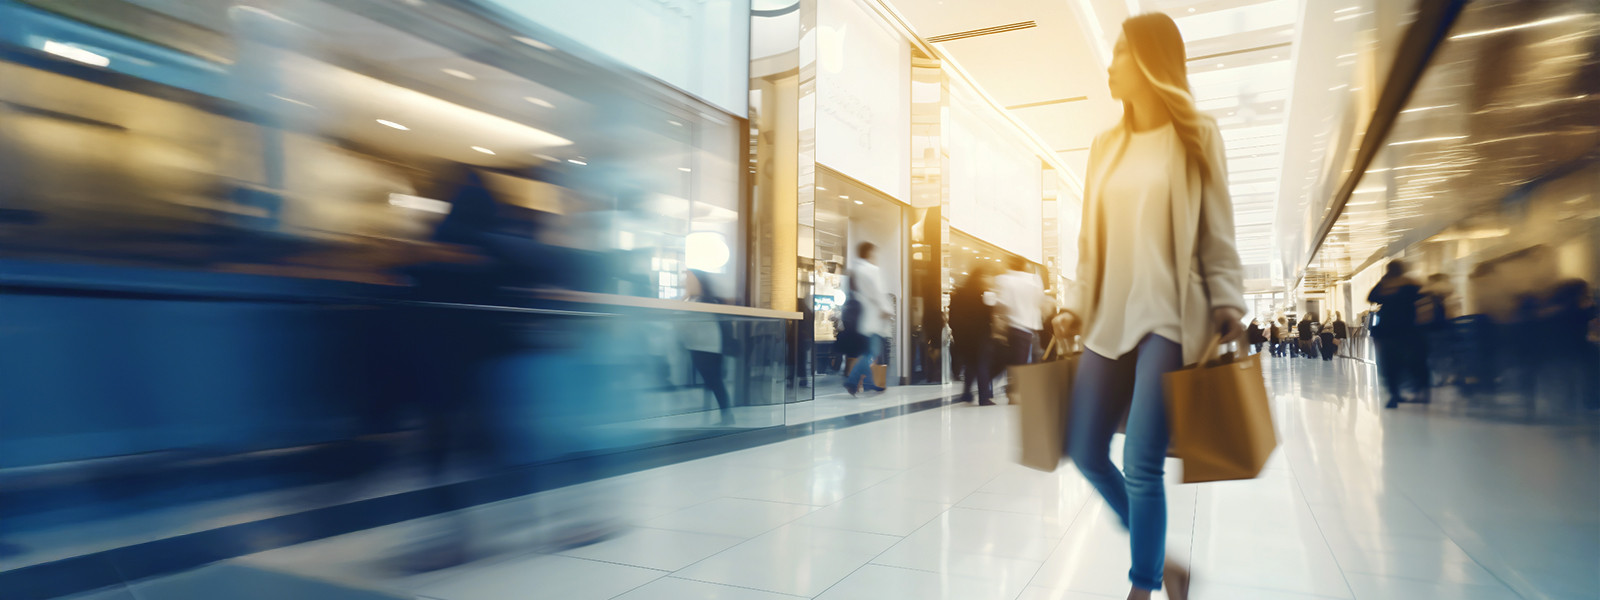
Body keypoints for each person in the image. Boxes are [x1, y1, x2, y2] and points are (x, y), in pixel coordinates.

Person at [1050, 13, 1245, 600]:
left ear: (1152, 63)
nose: (1110, 65)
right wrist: (1074, 306)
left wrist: (1228, 302)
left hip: (1170, 317)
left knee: (1141, 462)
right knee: (1083, 448)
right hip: (1108, 319)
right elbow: (1089, 245)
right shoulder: (1104, 146)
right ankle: (1165, 562)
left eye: (1120, 53)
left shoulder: (1197, 134)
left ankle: (1144, 585)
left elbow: (1217, 230)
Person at [1368, 260, 1427, 408]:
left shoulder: (1384, 286)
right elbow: (1421, 296)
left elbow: (1371, 297)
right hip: (1407, 330)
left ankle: (1394, 394)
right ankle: (1418, 391)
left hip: (1387, 331)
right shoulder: (1409, 285)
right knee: (1412, 361)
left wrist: (1384, 282)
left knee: (1390, 363)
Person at [680, 270, 736, 425]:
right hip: (708, 348)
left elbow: (682, 323)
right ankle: (724, 415)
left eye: (688, 280)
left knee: (715, 383)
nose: (685, 283)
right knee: (714, 383)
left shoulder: (698, 303)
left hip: (704, 348)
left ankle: (727, 416)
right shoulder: (704, 301)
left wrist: (683, 298)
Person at [844, 242, 891, 395]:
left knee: (867, 351)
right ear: (869, 253)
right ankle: (852, 381)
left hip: (862, 319)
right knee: (871, 352)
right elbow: (878, 292)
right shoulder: (872, 270)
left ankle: (869, 383)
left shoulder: (856, 270)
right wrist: (887, 309)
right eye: (873, 253)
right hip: (873, 318)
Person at [949, 266, 997, 405]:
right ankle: (983, 397)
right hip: (980, 336)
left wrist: (957, 333)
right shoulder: (983, 295)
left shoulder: (958, 295)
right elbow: (988, 317)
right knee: (982, 365)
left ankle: (966, 393)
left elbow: (952, 318)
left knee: (971, 364)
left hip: (964, 337)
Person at [994, 255, 1049, 366]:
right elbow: (1040, 302)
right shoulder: (1034, 280)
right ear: (1024, 266)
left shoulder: (1004, 280)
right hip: (1031, 331)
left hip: (1012, 329)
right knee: (1026, 366)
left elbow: (1002, 304)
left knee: (1015, 366)